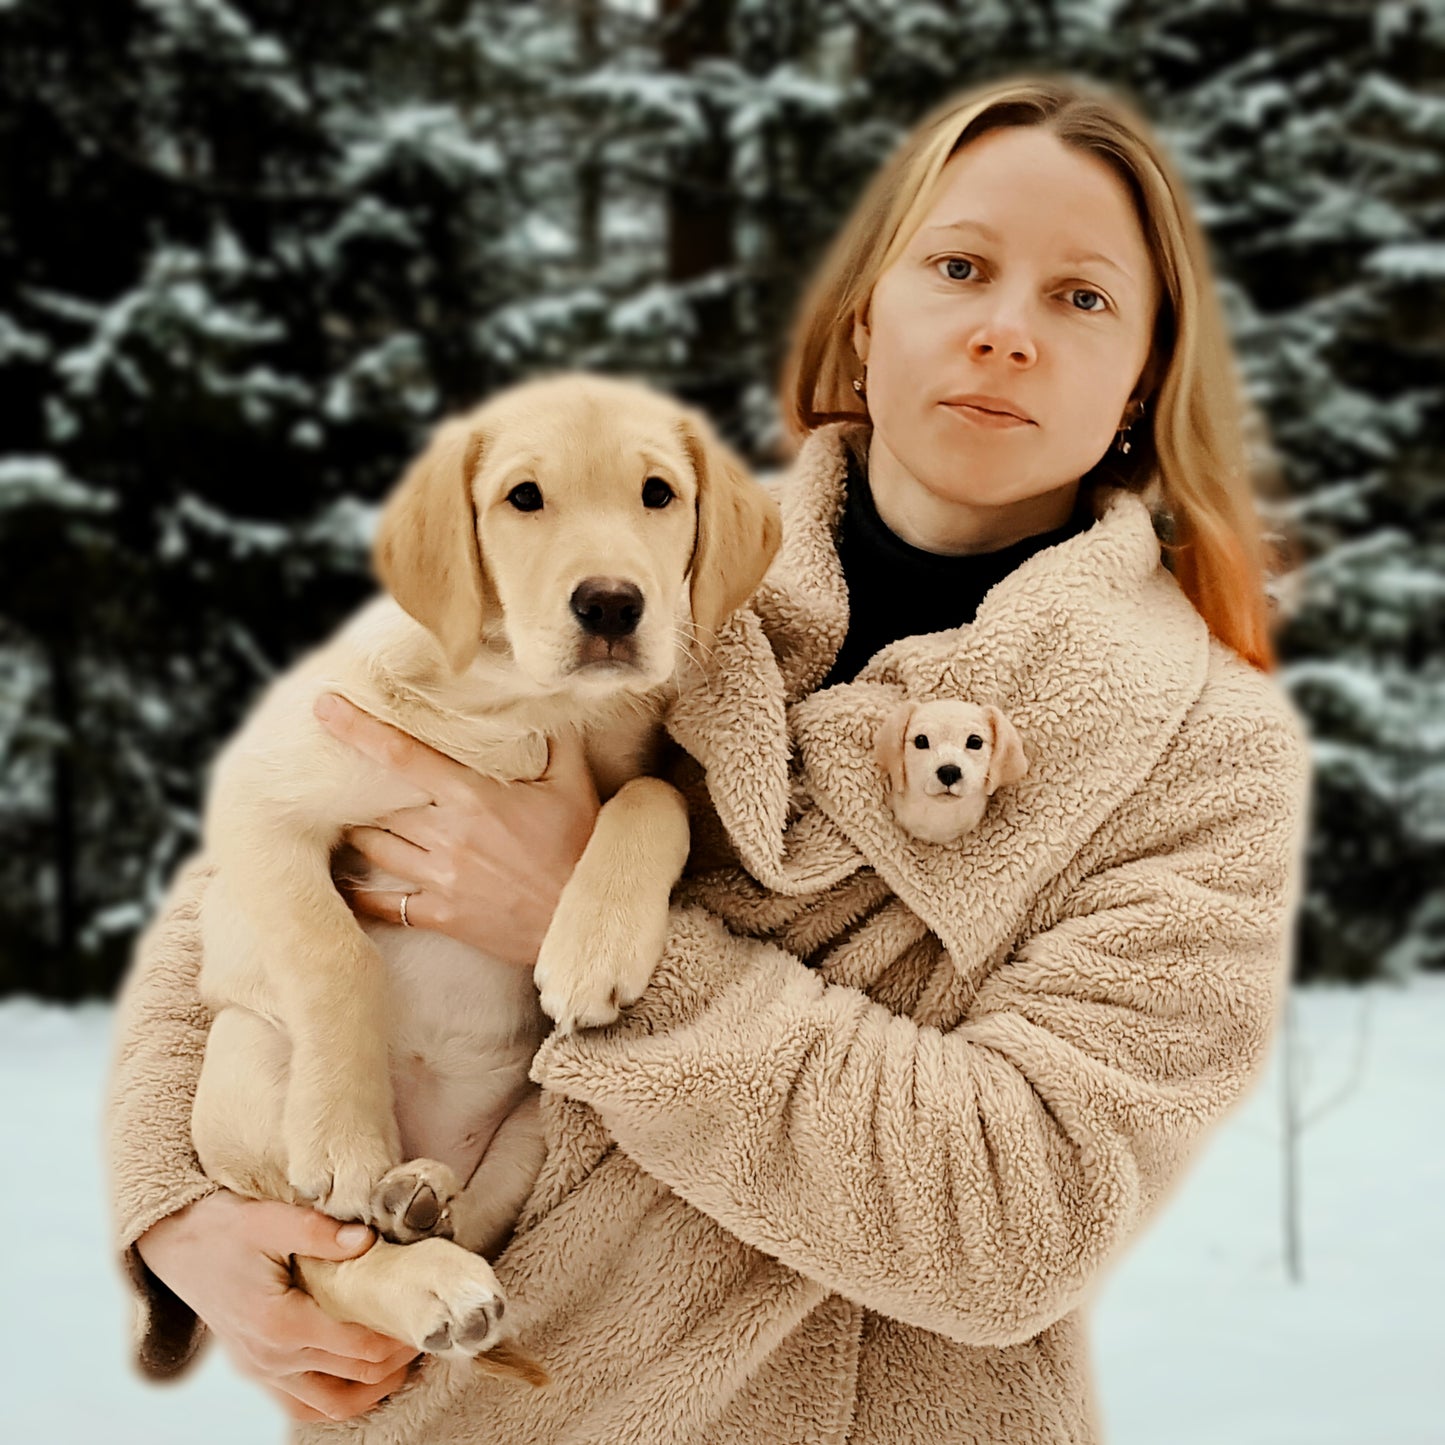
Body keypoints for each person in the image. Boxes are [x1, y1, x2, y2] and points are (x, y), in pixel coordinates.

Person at [108, 73, 1313, 1443]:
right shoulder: (639, 558)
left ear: (1145, 371)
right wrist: (185, 1213)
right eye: (960, 266)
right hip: (454, 1407)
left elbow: (1018, 1219)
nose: (1002, 332)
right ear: (870, 315)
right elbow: (261, 868)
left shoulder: (1199, 752)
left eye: (1080, 298)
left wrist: (600, 929)